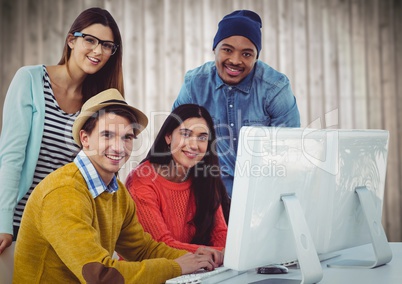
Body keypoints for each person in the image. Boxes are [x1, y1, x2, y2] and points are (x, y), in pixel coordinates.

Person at [13, 89, 223, 284]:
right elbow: (100, 276)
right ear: (85, 138)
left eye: (127, 137)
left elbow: (143, 249)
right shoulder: (63, 192)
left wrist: (197, 259)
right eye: (107, 135)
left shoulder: (117, 192)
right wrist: (176, 266)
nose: (119, 147)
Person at [0, 7, 124, 254]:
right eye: (90, 40)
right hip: (19, 221)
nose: (98, 51)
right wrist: (3, 220)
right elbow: (12, 157)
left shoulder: (99, 102)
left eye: (107, 45)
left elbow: (104, 171)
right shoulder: (31, 80)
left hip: (66, 226)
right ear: (71, 40)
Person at [173, 10, 301, 197]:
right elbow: (177, 140)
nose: (235, 60)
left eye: (247, 54)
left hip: (261, 194)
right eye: (227, 49)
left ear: (256, 57)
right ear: (214, 49)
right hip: (208, 194)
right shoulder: (195, 84)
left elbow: (290, 150)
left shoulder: (275, 88)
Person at [125, 104, 230, 254]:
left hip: (194, 270)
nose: (194, 145)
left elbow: (220, 234)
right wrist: (218, 253)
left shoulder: (206, 177)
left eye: (202, 137)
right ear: (168, 137)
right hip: (153, 271)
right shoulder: (142, 181)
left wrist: (228, 254)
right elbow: (162, 245)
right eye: (186, 134)